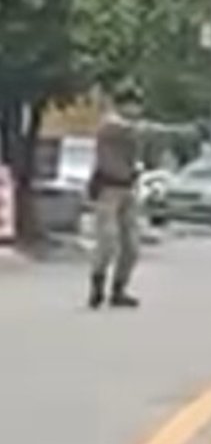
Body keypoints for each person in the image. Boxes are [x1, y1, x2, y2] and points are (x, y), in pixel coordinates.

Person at [87, 90, 142, 309]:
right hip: (108, 189)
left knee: (132, 246)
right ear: (121, 105)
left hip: (128, 189)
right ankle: (97, 285)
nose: (136, 110)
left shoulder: (130, 129)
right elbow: (119, 131)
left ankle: (119, 289)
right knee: (108, 241)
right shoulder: (110, 127)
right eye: (132, 105)